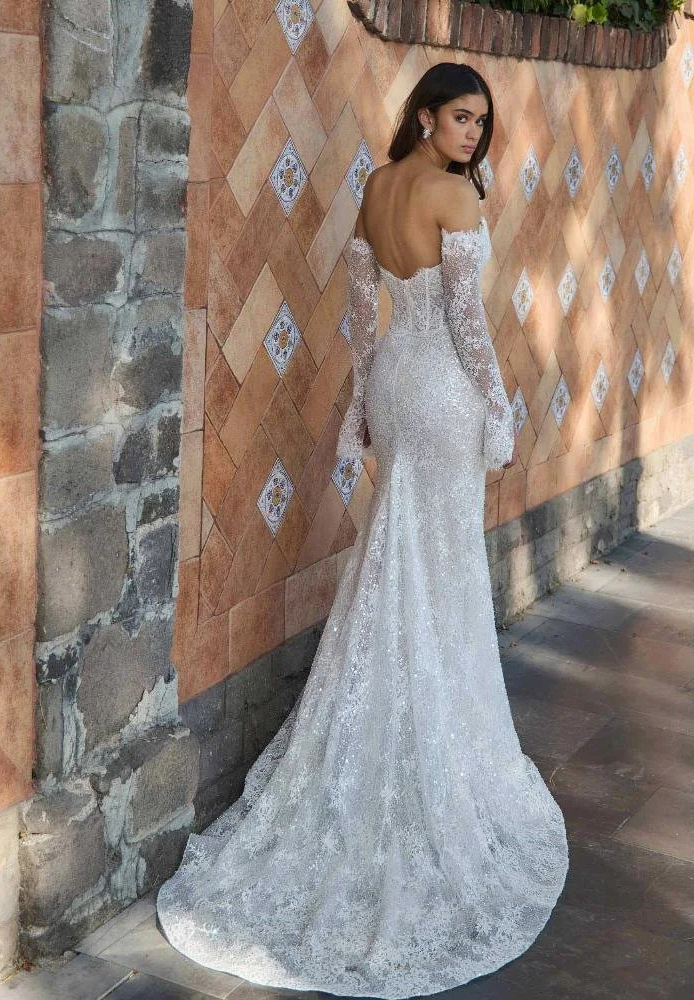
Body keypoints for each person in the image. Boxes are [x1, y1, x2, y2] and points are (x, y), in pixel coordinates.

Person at [156, 62, 569, 998]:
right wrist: (499, 411)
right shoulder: (451, 194)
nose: (473, 134)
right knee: (444, 564)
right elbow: (466, 321)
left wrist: (362, 403)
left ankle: (391, 722)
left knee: (401, 556)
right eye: (461, 118)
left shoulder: (378, 187)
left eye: (481, 122)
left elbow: (357, 312)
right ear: (425, 116)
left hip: (393, 385)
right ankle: (432, 745)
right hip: (444, 392)